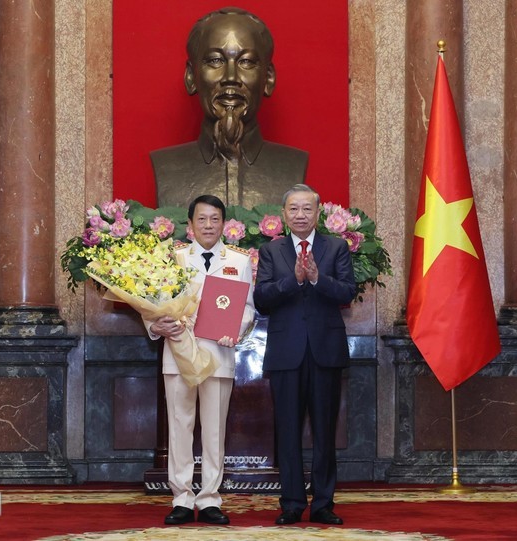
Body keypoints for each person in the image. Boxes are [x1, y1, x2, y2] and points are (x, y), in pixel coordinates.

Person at [145, 194, 255, 526]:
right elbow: (152, 302)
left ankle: (209, 498)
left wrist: (235, 328)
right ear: (190, 224)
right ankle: (181, 497)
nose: (209, 225)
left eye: (215, 219)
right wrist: (155, 324)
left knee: (214, 430)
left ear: (225, 224)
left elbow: (248, 307)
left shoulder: (240, 260)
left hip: (218, 354)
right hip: (179, 352)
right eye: (202, 219)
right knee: (180, 426)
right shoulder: (172, 258)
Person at [253, 184, 356, 526]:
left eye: (307, 209)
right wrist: (294, 281)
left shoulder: (336, 248)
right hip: (286, 353)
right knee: (288, 430)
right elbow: (262, 298)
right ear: (284, 214)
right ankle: (292, 503)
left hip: (325, 351)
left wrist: (316, 278)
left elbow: (347, 292)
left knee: (325, 431)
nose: (300, 215)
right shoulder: (272, 251)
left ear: (318, 213)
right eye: (294, 209)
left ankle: (324, 503)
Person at [151, 7, 308, 208]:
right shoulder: (167, 165)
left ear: (268, 78)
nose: (231, 78)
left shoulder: (293, 164)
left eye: (246, 62)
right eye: (216, 61)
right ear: (191, 76)